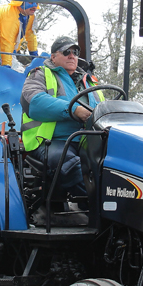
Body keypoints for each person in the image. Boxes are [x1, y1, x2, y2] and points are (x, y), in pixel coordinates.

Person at [20, 36, 103, 220]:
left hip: (86, 141)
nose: (72, 56)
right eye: (67, 52)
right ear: (53, 56)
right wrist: (74, 110)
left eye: (75, 52)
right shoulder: (40, 74)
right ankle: (97, 208)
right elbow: (35, 103)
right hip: (50, 141)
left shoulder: (89, 82)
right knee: (69, 163)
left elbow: (105, 108)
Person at [0, 0, 40, 66]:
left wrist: (35, 57)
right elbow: (7, 41)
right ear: (21, 2)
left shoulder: (30, 15)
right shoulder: (10, 16)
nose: (34, 6)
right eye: (30, 2)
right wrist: (6, 66)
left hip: (10, 49)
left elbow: (31, 35)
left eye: (36, 3)